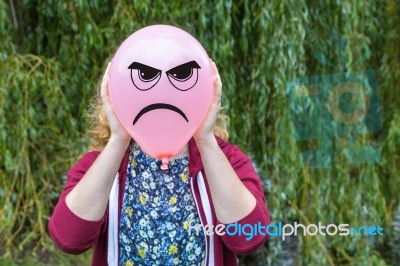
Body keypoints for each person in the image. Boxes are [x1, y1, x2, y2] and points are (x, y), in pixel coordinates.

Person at [49, 59, 270, 266]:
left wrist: (205, 139)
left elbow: (248, 238)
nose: (163, 94)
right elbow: (69, 239)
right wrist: (119, 138)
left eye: (179, 78)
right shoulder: (101, 165)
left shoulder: (225, 159)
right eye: (146, 79)